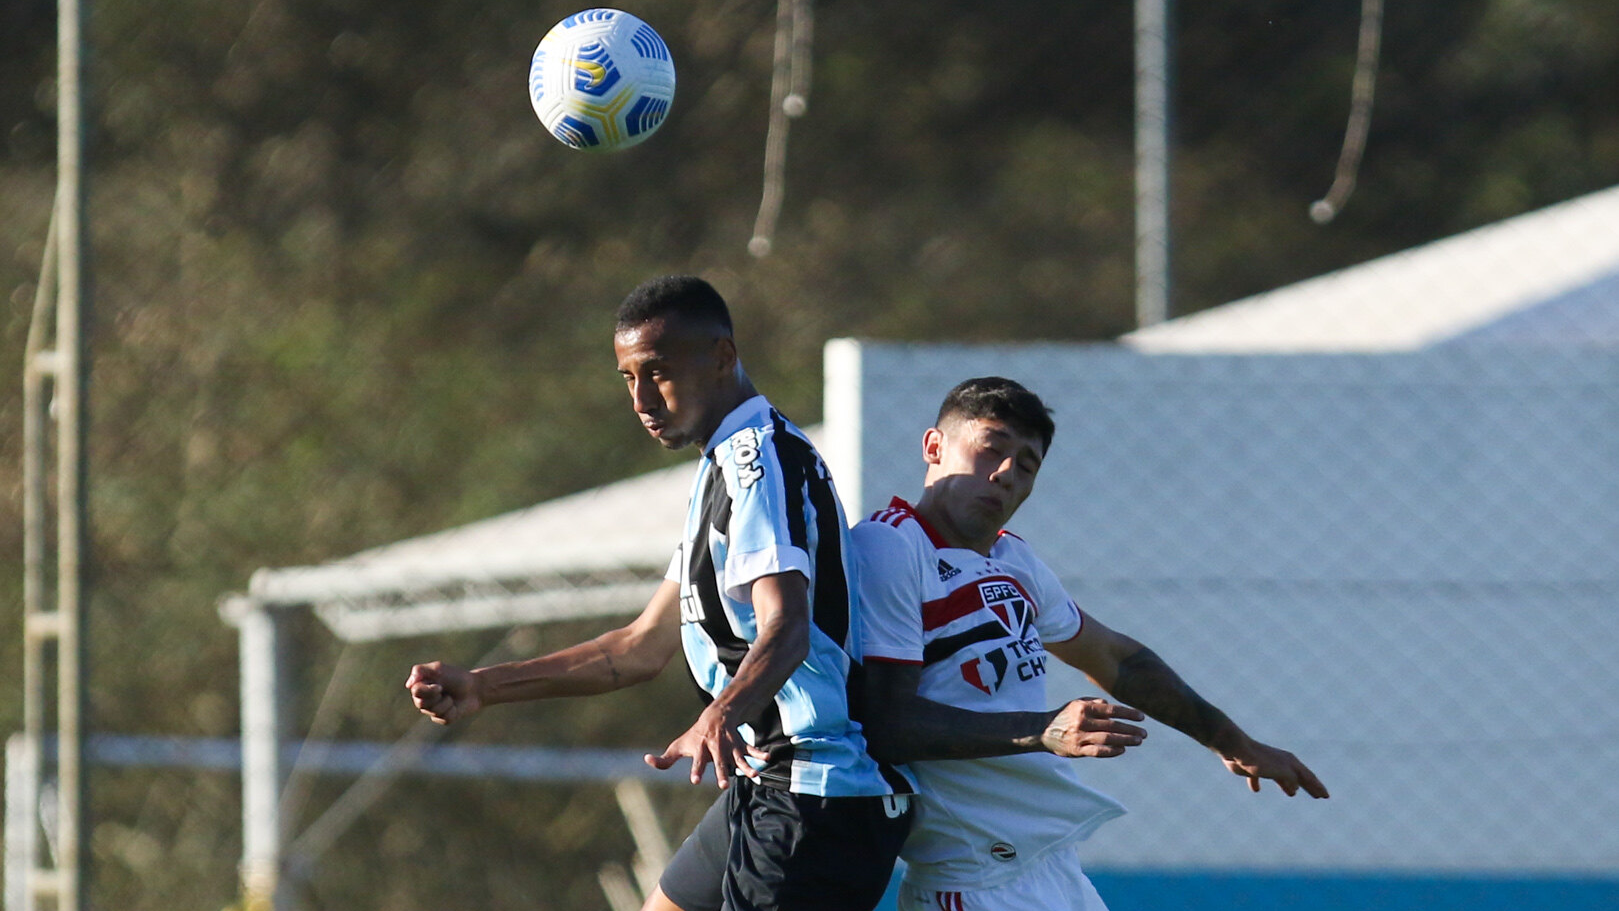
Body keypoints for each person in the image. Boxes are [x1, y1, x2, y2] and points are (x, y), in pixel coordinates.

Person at [405, 275, 914, 911]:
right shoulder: (720, 469)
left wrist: (719, 714)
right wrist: (484, 685)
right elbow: (637, 649)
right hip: (763, 786)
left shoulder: (758, 465)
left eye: (659, 372)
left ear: (723, 357)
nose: (643, 398)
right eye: (628, 378)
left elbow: (788, 625)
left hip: (815, 795)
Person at [851, 376, 1329, 911]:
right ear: (934, 447)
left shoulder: (1014, 562)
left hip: (1049, 870)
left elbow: (1114, 657)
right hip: (973, 878)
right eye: (991, 448)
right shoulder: (889, 546)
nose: (1006, 473)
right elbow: (885, 725)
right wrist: (1043, 730)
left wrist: (1232, 742)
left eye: (1026, 465)